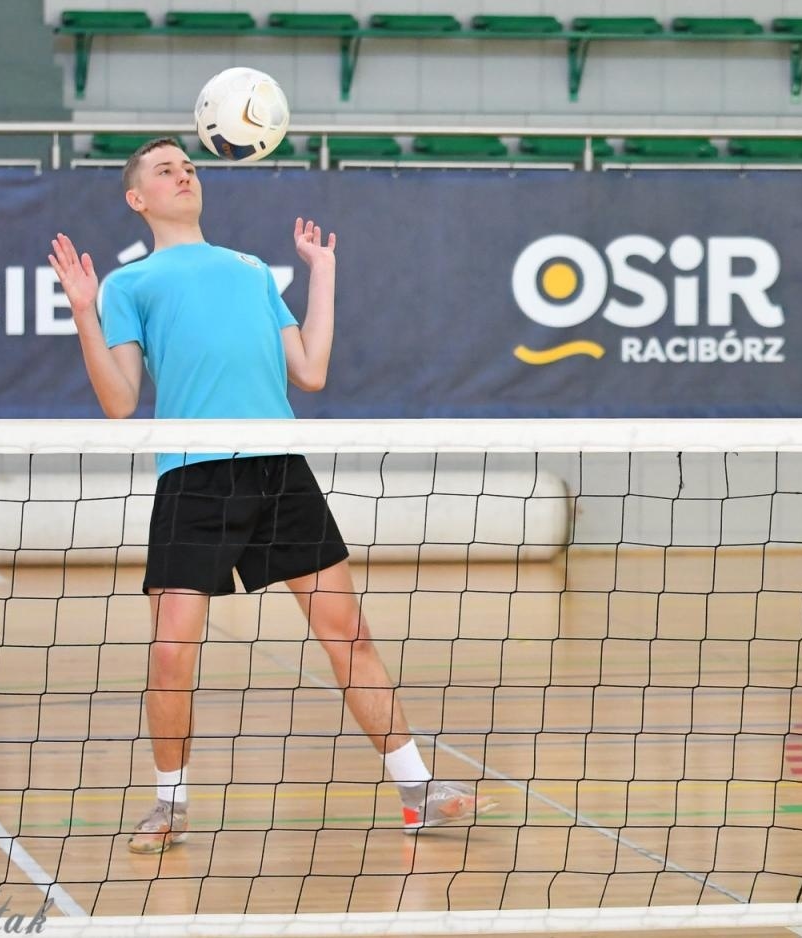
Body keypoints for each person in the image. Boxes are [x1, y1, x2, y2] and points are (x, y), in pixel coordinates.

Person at [47, 137, 489, 853]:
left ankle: (417, 792)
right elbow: (120, 400)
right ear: (138, 198)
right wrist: (83, 310)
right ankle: (169, 804)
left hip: (279, 471)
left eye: (188, 166)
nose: (183, 173)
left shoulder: (252, 271)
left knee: (349, 635)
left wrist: (324, 275)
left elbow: (309, 370)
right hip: (194, 479)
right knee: (170, 655)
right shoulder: (129, 285)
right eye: (166, 169)